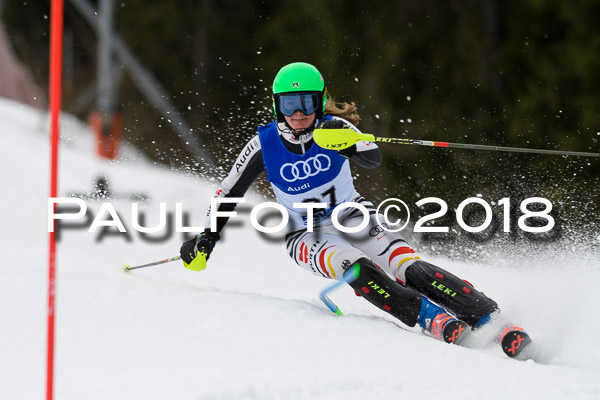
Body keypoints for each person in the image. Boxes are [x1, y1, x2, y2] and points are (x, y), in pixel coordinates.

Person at [180, 62, 500, 346]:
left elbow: (373, 159)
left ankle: (487, 315)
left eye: (306, 103)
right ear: (277, 107)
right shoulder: (263, 145)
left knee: (406, 266)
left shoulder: (337, 128)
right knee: (356, 267)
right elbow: (228, 192)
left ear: (319, 102)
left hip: (352, 213)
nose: (298, 114)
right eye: (289, 104)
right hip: (305, 235)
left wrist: (350, 146)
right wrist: (207, 237)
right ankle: (430, 317)